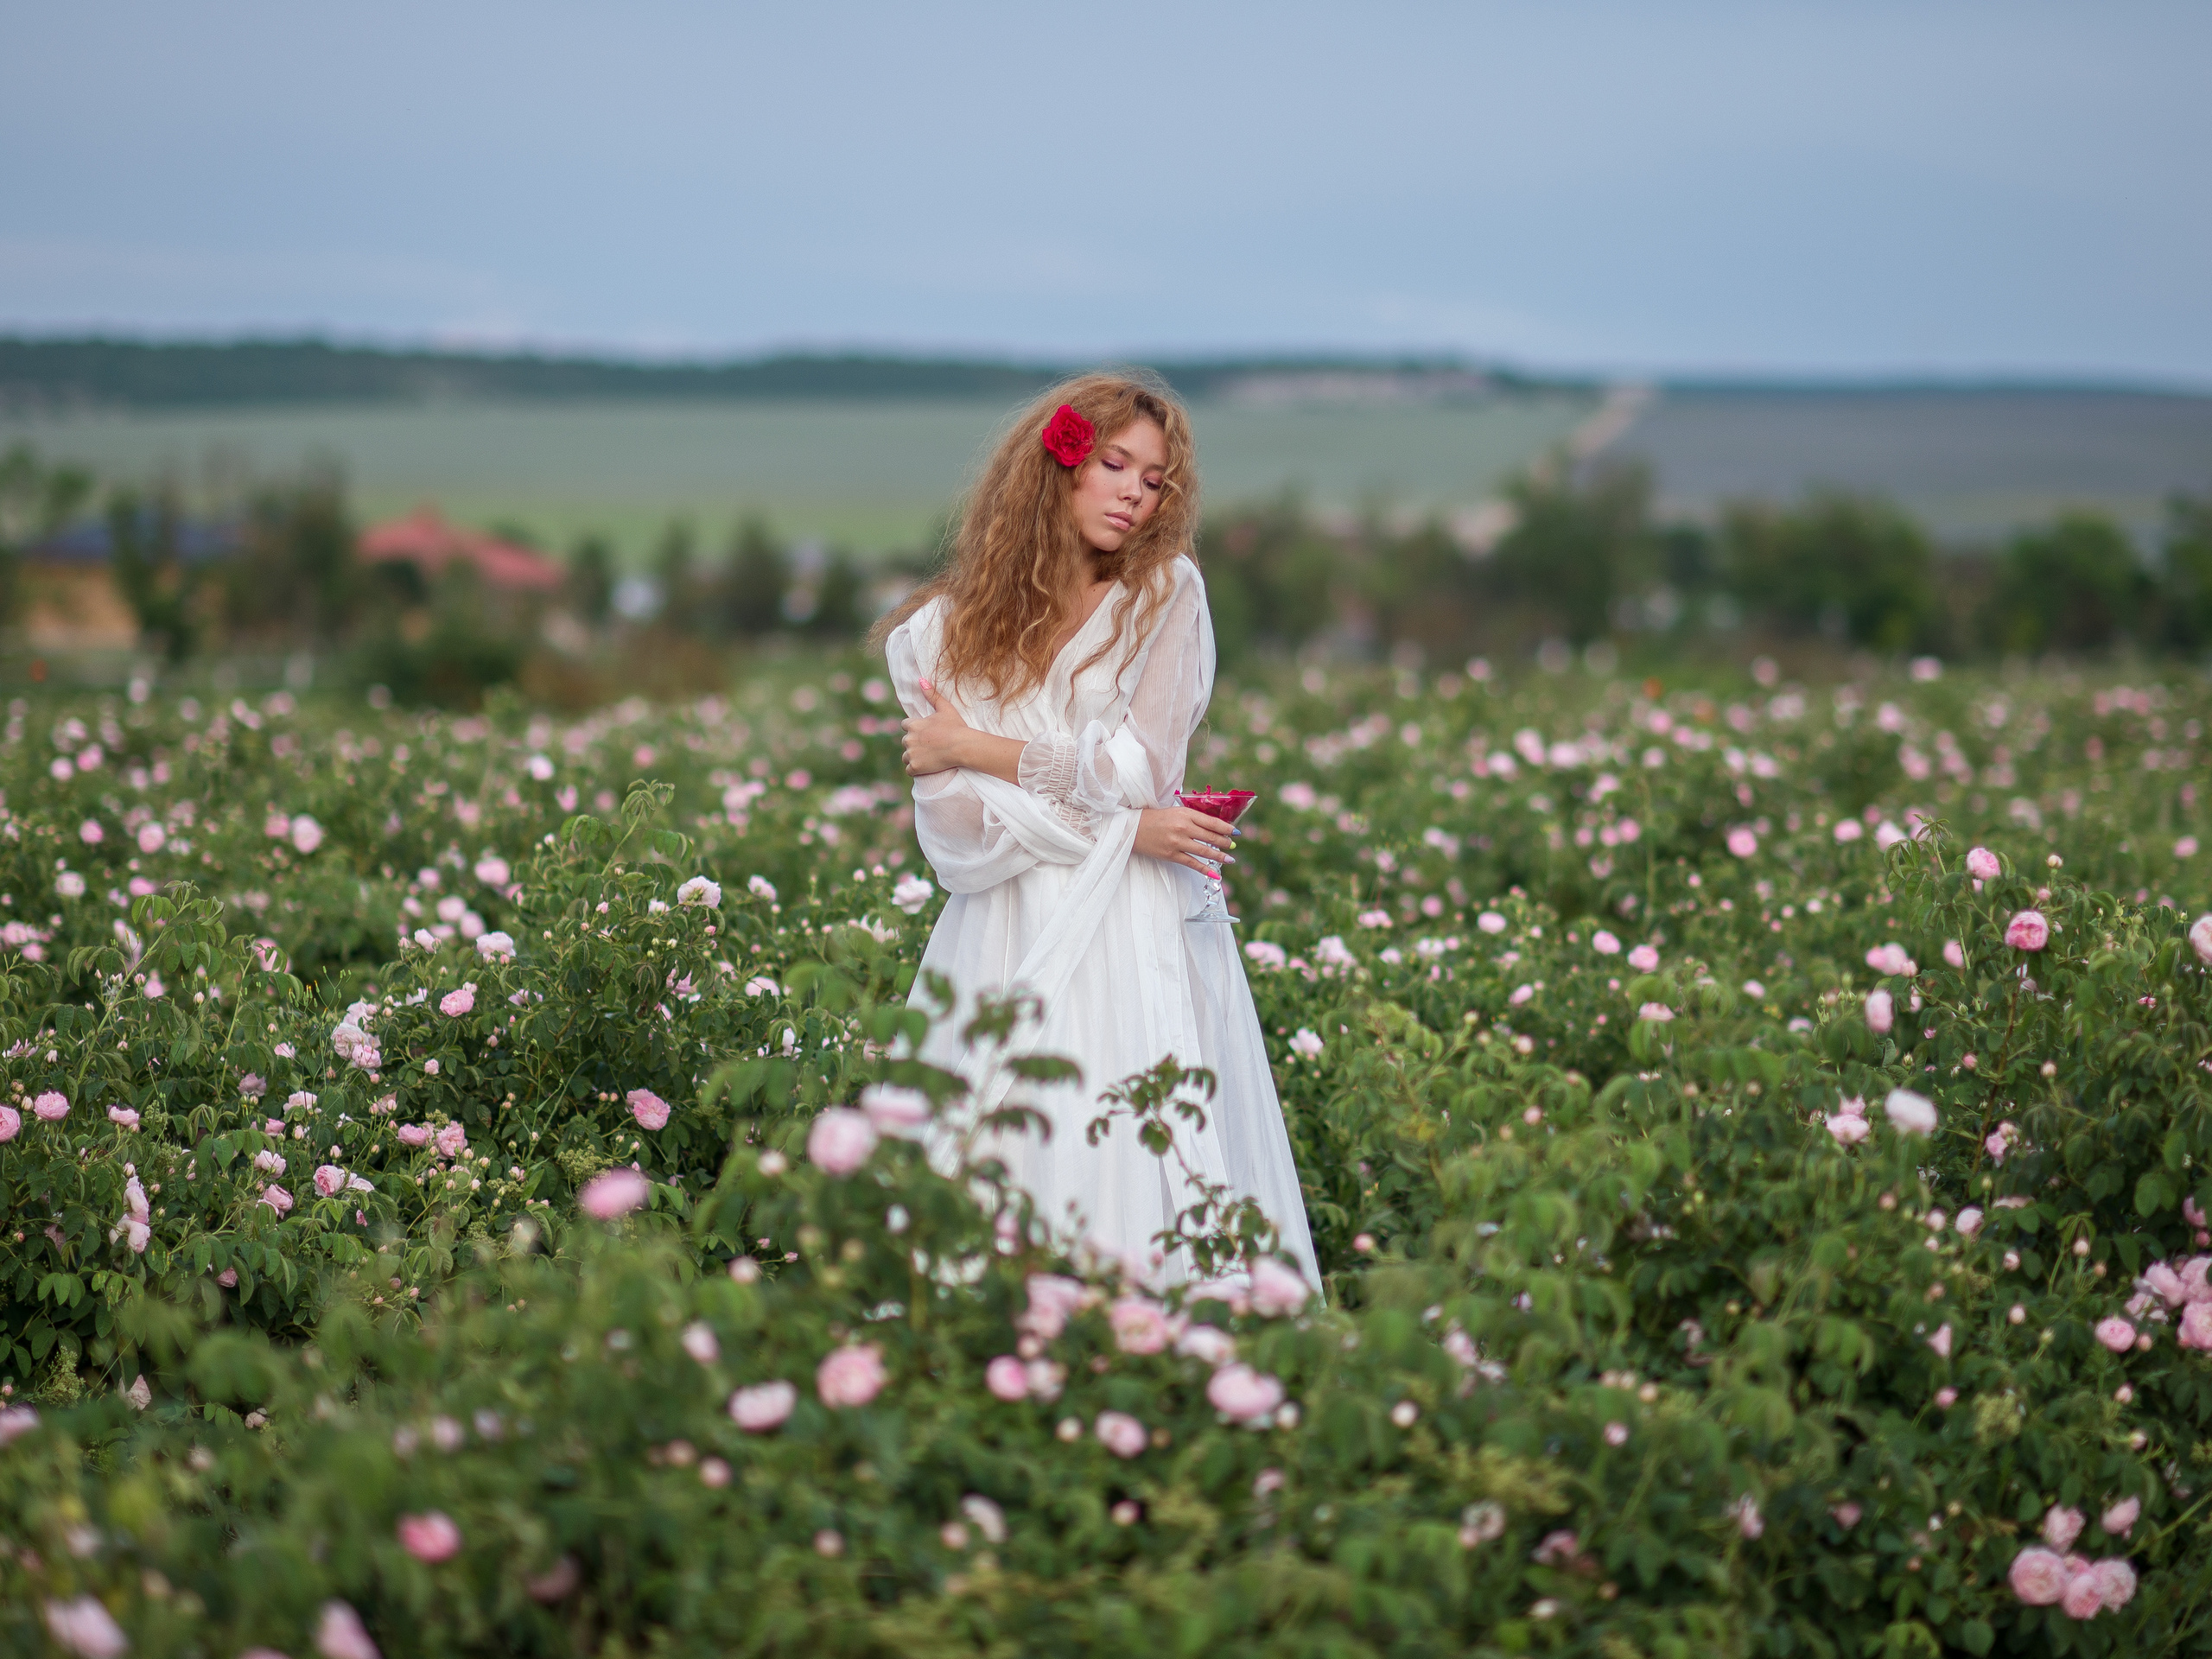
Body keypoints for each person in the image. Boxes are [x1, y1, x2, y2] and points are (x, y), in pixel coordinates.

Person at [875, 372, 1319, 1288]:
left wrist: (973, 745)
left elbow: (1134, 772)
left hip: (1131, 922)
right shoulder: (935, 637)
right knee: (1006, 1154)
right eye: (1114, 463)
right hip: (1001, 926)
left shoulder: (1164, 595)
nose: (1133, 492)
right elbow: (959, 838)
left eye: (1154, 479)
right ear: (1058, 467)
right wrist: (1125, 830)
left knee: (1133, 1137)